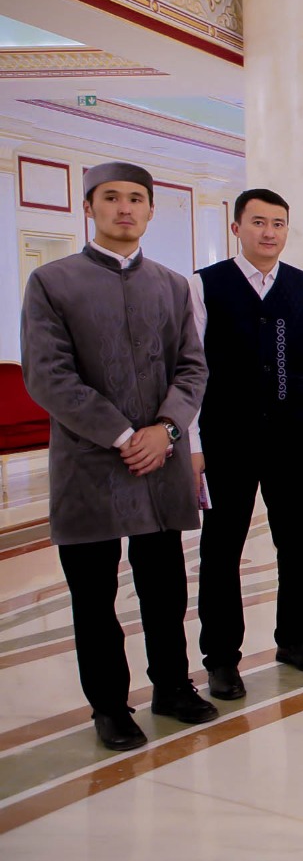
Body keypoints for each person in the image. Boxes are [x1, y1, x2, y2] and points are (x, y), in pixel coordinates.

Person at [22, 161, 215, 750]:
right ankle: (109, 705)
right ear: (89, 207)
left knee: (165, 589)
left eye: (136, 198)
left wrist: (166, 430)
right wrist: (124, 435)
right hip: (91, 464)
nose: (124, 207)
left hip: (161, 462)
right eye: (111, 197)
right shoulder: (52, 282)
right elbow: (48, 376)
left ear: (151, 210)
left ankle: (173, 687)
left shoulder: (171, 285)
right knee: (93, 595)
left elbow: (193, 368)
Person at [190, 189, 303, 702]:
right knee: (221, 547)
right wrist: (192, 442)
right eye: (258, 222)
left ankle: (294, 639)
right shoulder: (204, 285)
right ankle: (221, 658)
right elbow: (190, 369)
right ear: (237, 228)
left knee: (295, 542)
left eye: (278, 223)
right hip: (225, 437)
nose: (269, 232)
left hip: (291, 435)